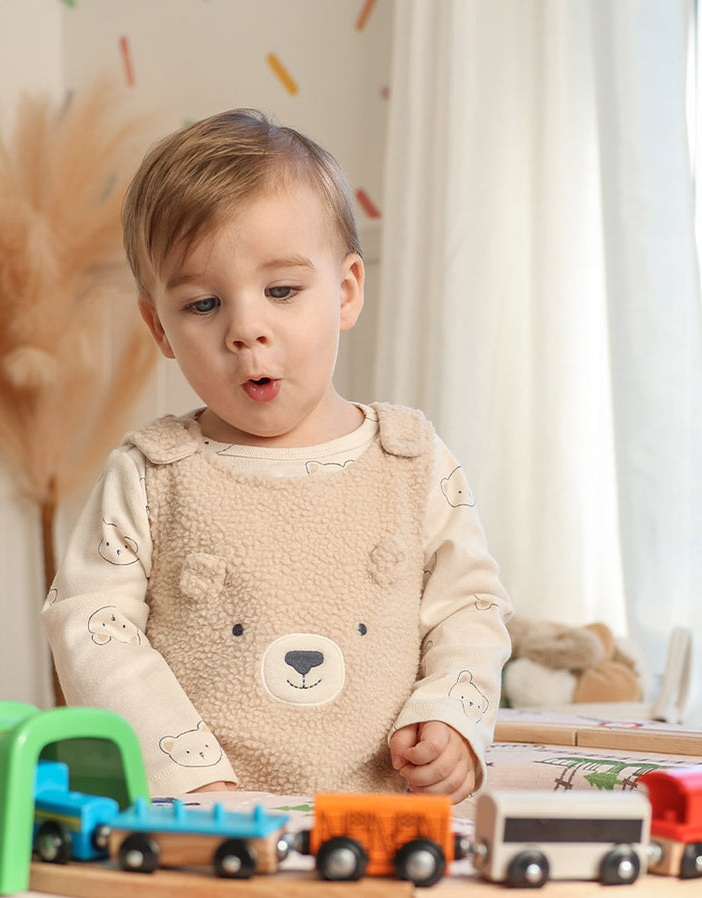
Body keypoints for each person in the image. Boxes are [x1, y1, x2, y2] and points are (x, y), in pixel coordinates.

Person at [42, 109, 511, 801]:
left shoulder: (411, 462)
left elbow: (468, 608)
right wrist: (185, 775)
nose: (246, 329)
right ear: (159, 327)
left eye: (282, 291)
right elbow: (91, 627)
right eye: (203, 304)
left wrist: (453, 720)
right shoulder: (150, 475)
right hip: (207, 818)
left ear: (346, 292)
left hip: (384, 816)